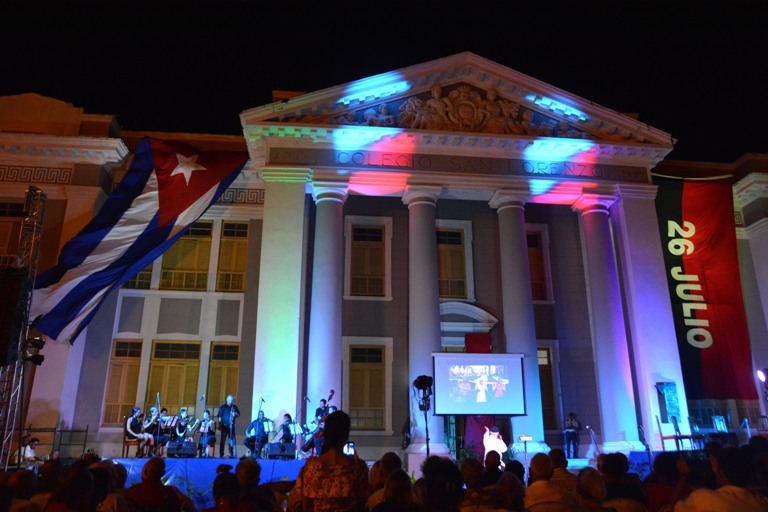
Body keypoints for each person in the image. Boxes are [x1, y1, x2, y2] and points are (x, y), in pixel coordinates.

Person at [289, 410, 370, 511]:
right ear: (346, 436)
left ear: (326, 433)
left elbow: (307, 505)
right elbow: (362, 505)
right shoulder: (358, 468)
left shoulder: (311, 467)